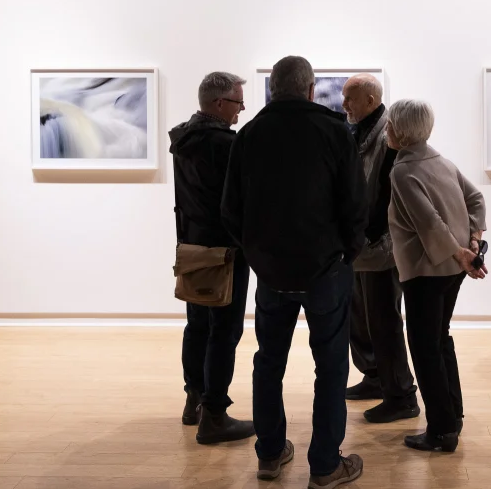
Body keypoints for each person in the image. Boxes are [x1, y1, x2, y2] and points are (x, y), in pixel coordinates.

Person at [222, 56, 368, 489]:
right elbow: (355, 205)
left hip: (270, 272)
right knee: (330, 368)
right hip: (325, 270)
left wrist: (256, 252)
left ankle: (269, 454)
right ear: (310, 90)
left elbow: (231, 209)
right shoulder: (334, 131)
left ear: (273, 90)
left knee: (268, 363)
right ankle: (324, 466)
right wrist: (347, 253)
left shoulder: (249, 134)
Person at [385, 99, 488, 453]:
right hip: (451, 270)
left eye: (389, 125)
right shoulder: (440, 161)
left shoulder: (402, 171)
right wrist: (471, 241)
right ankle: (452, 415)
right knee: (440, 340)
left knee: (425, 348)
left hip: (426, 271)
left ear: (400, 130)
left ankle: (442, 430)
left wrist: (463, 252)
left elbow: (428, 221)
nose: (386, 131)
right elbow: (476, 198)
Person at [168, 71, 255, 445]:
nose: (242, 109)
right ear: (219, 104)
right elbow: (237, 202)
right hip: (225, 250)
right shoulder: (226, 145)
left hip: (192, 245)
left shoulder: (183, 139)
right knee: (225, 331)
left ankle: (194, 399)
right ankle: (215, 413)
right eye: (237, 102)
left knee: (198, 325)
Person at [341, 74, 420, 424]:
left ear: (371, 100)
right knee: (360, 318)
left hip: (381, 245)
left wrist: (370, 232)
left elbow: (387, 192)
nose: (344, 105)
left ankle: (401, 394)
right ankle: (374, 377)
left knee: (384, 320)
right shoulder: (357, 131)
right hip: (360, 243)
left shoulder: (389, 135)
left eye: (350, 99)